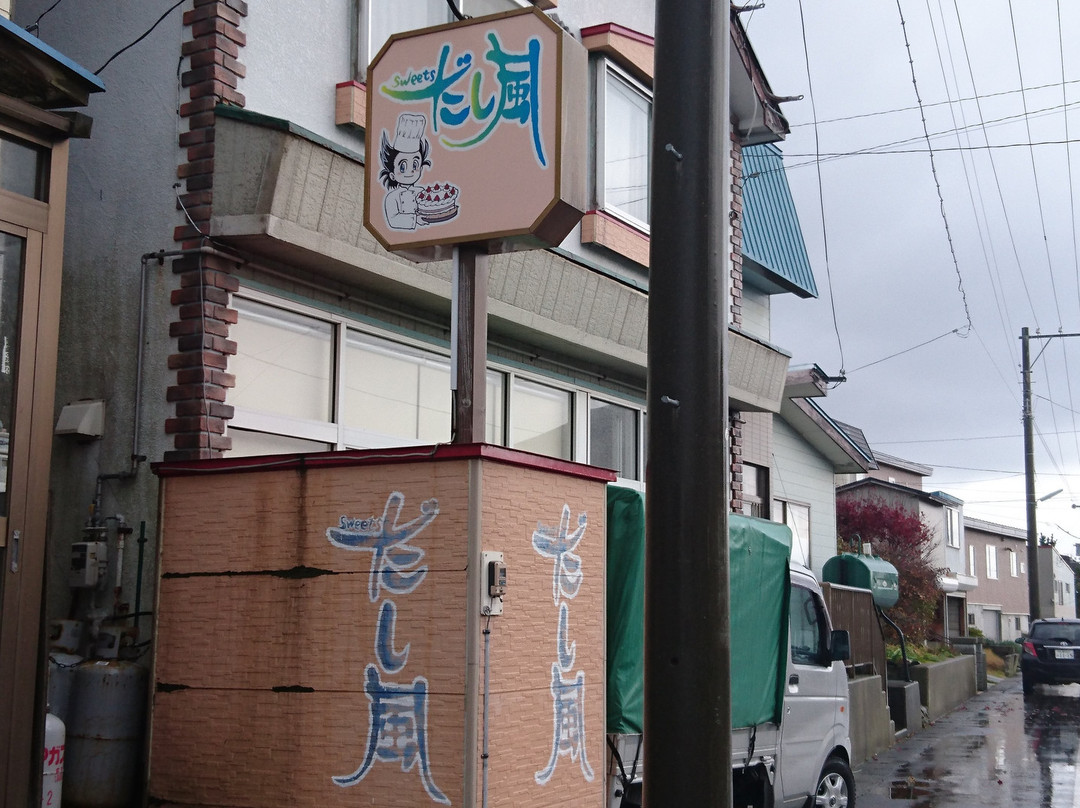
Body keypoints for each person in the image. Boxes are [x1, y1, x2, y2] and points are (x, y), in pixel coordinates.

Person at [379, 113, 431, 230]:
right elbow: (393, 220)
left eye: (415, 164)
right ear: (392, 175)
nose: (410, 171)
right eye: (402, 167)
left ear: (420, 168)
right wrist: (415, 220)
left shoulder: (422, 192)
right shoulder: (392, 197)